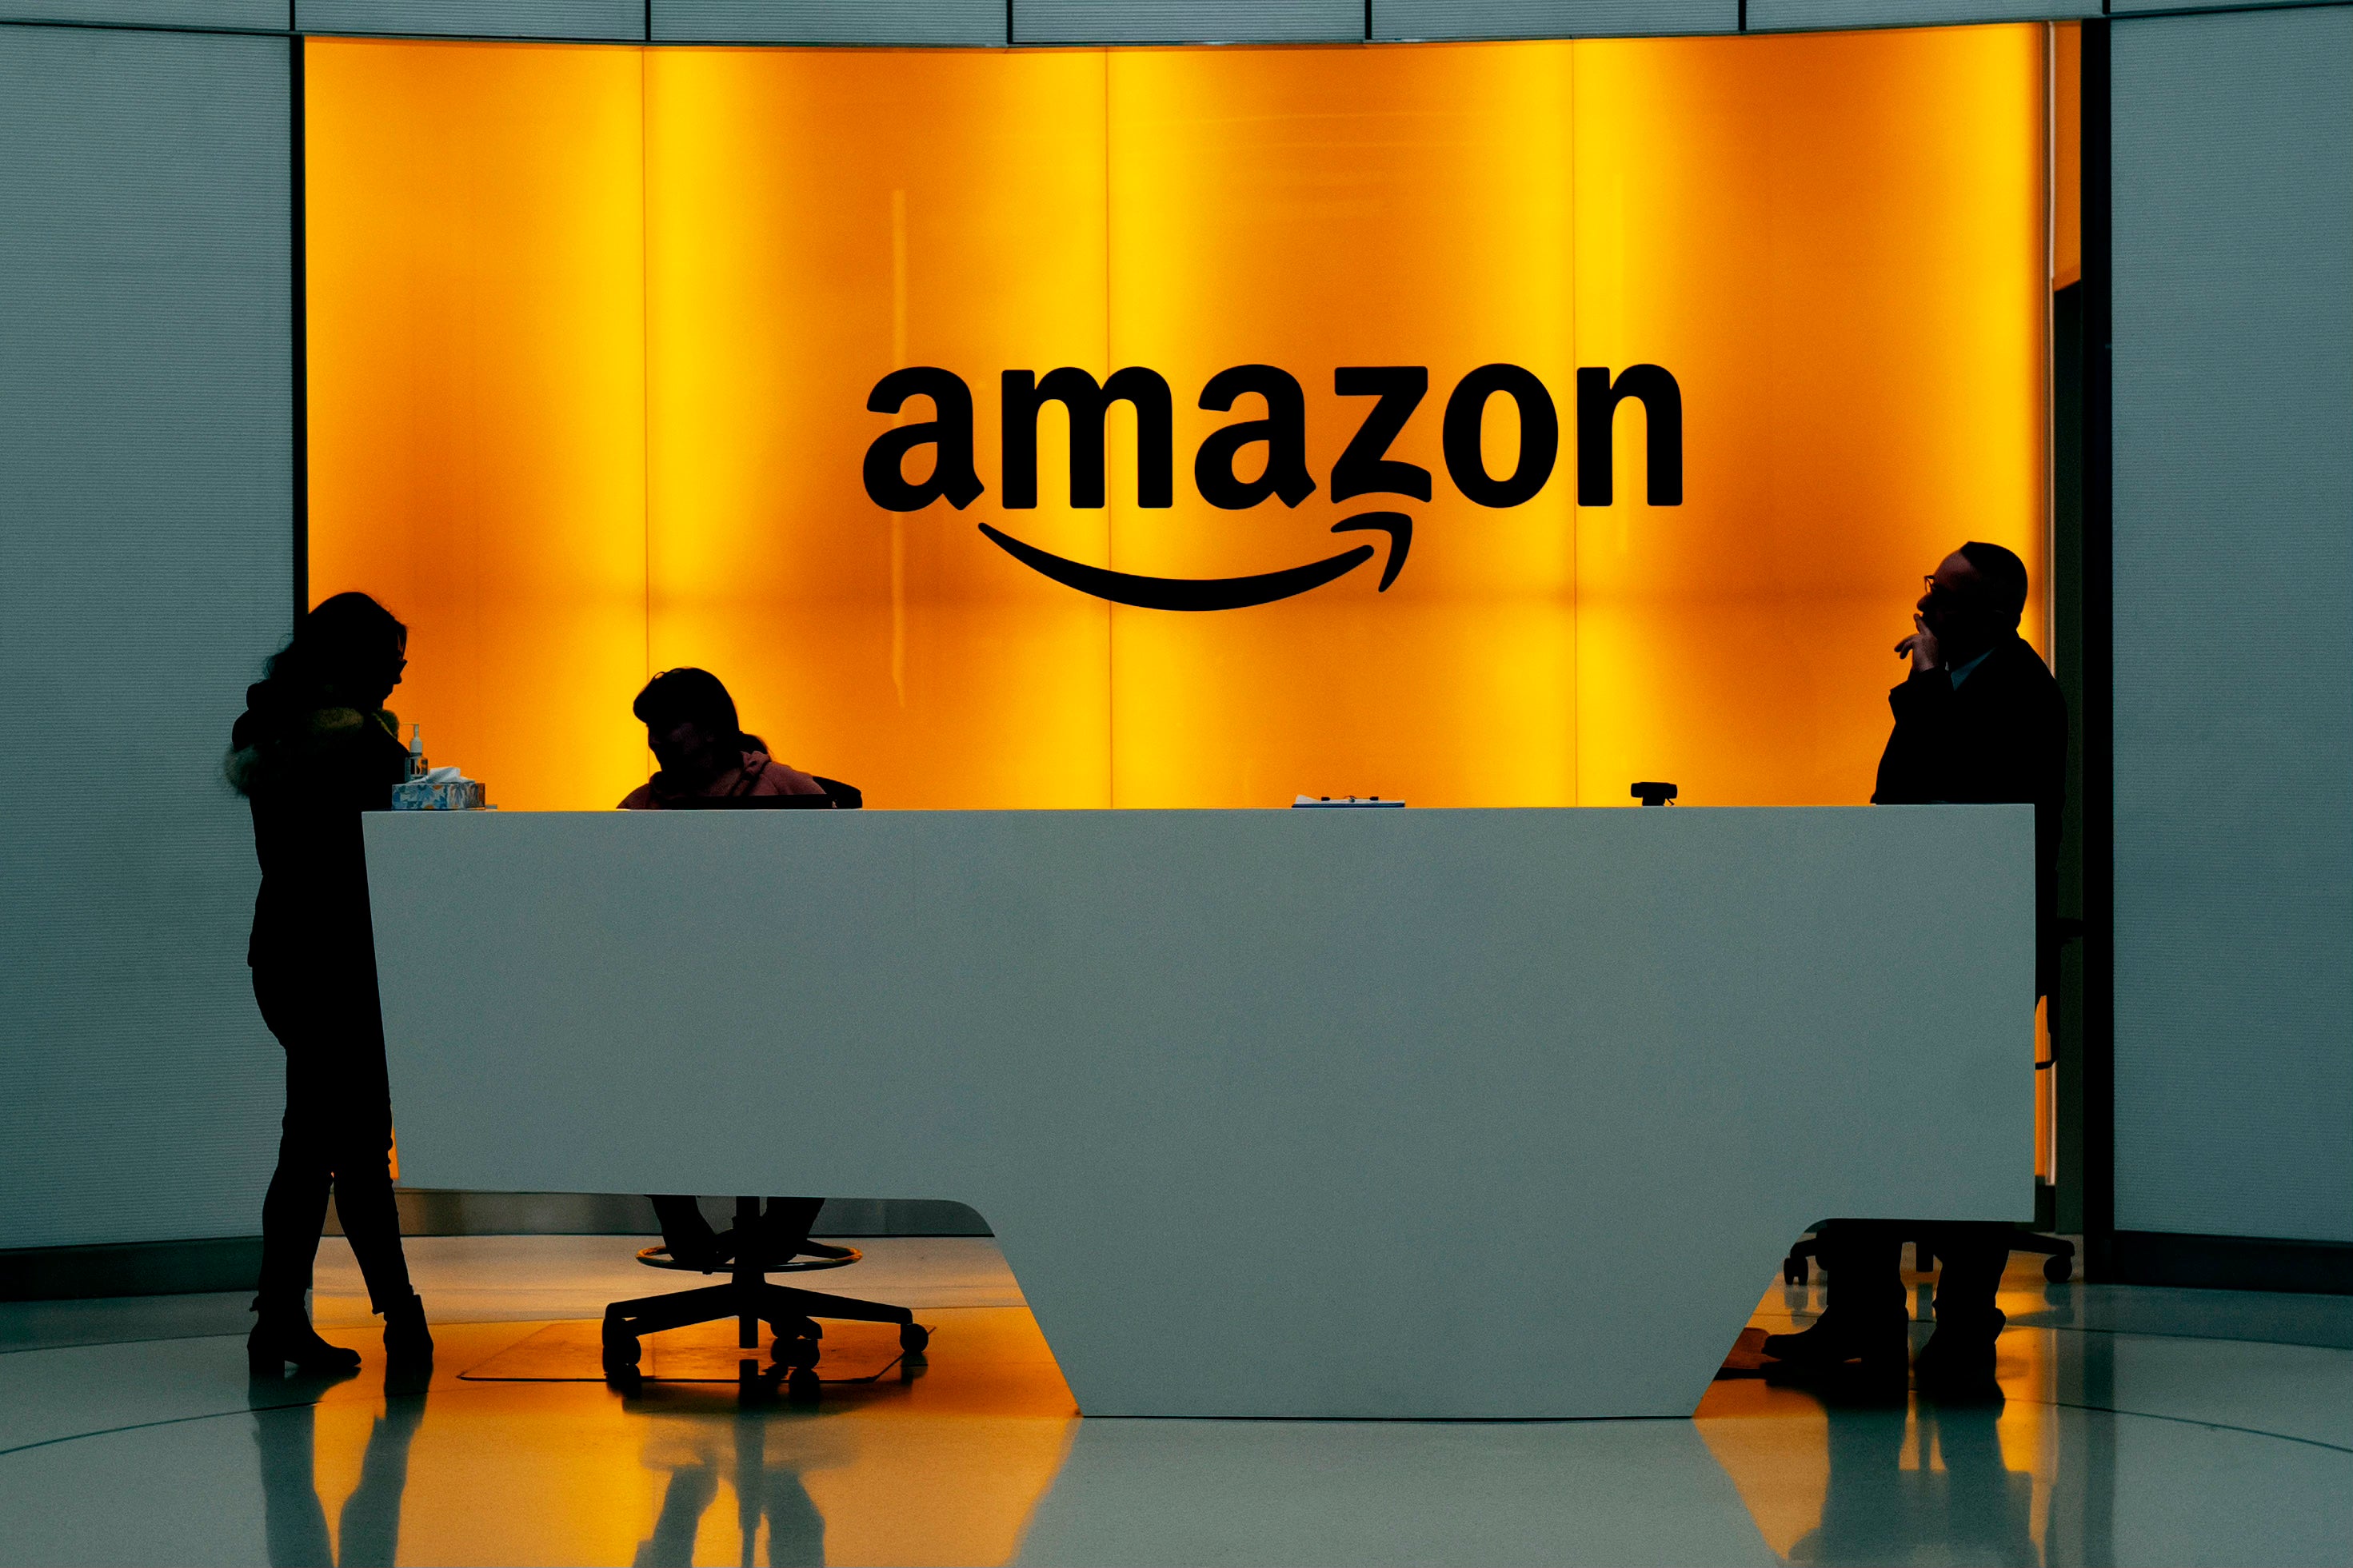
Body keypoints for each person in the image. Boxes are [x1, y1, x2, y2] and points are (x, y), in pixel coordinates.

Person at [1763, 541, 2067, 1398]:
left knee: (1964, 1143)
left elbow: (1958, 799)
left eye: (1941, 593)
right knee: (1861, 1123)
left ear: (1988, 611)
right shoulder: (1953, 684)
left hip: (1977, 950)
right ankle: (1862, 1315)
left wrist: (1923, 683)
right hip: (1908, 948)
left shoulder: (2018, 691)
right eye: (1928, 590)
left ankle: (1964, 1330)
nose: (1923, 605)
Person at [228, 592, 432, 1377]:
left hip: (284, 952)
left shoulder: (271, 733)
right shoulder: (364, 746)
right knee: (354, 1145)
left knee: (311, 1144)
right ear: (357, 660)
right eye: (392, 657)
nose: (400, 672)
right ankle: (401, 1321)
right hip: (350, 960)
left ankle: (280, 1319)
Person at [619, 667, 848, 1269]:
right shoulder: (638, 812)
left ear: (717, 728)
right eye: (650, 729)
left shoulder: (792, 793)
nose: (657, 741)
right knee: (637, 1070)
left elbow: (839, 903)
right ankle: (682, 1224)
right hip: (678, 998)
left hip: (785, 994)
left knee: (822, 1079)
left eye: (669, 726)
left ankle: (782, 1230)